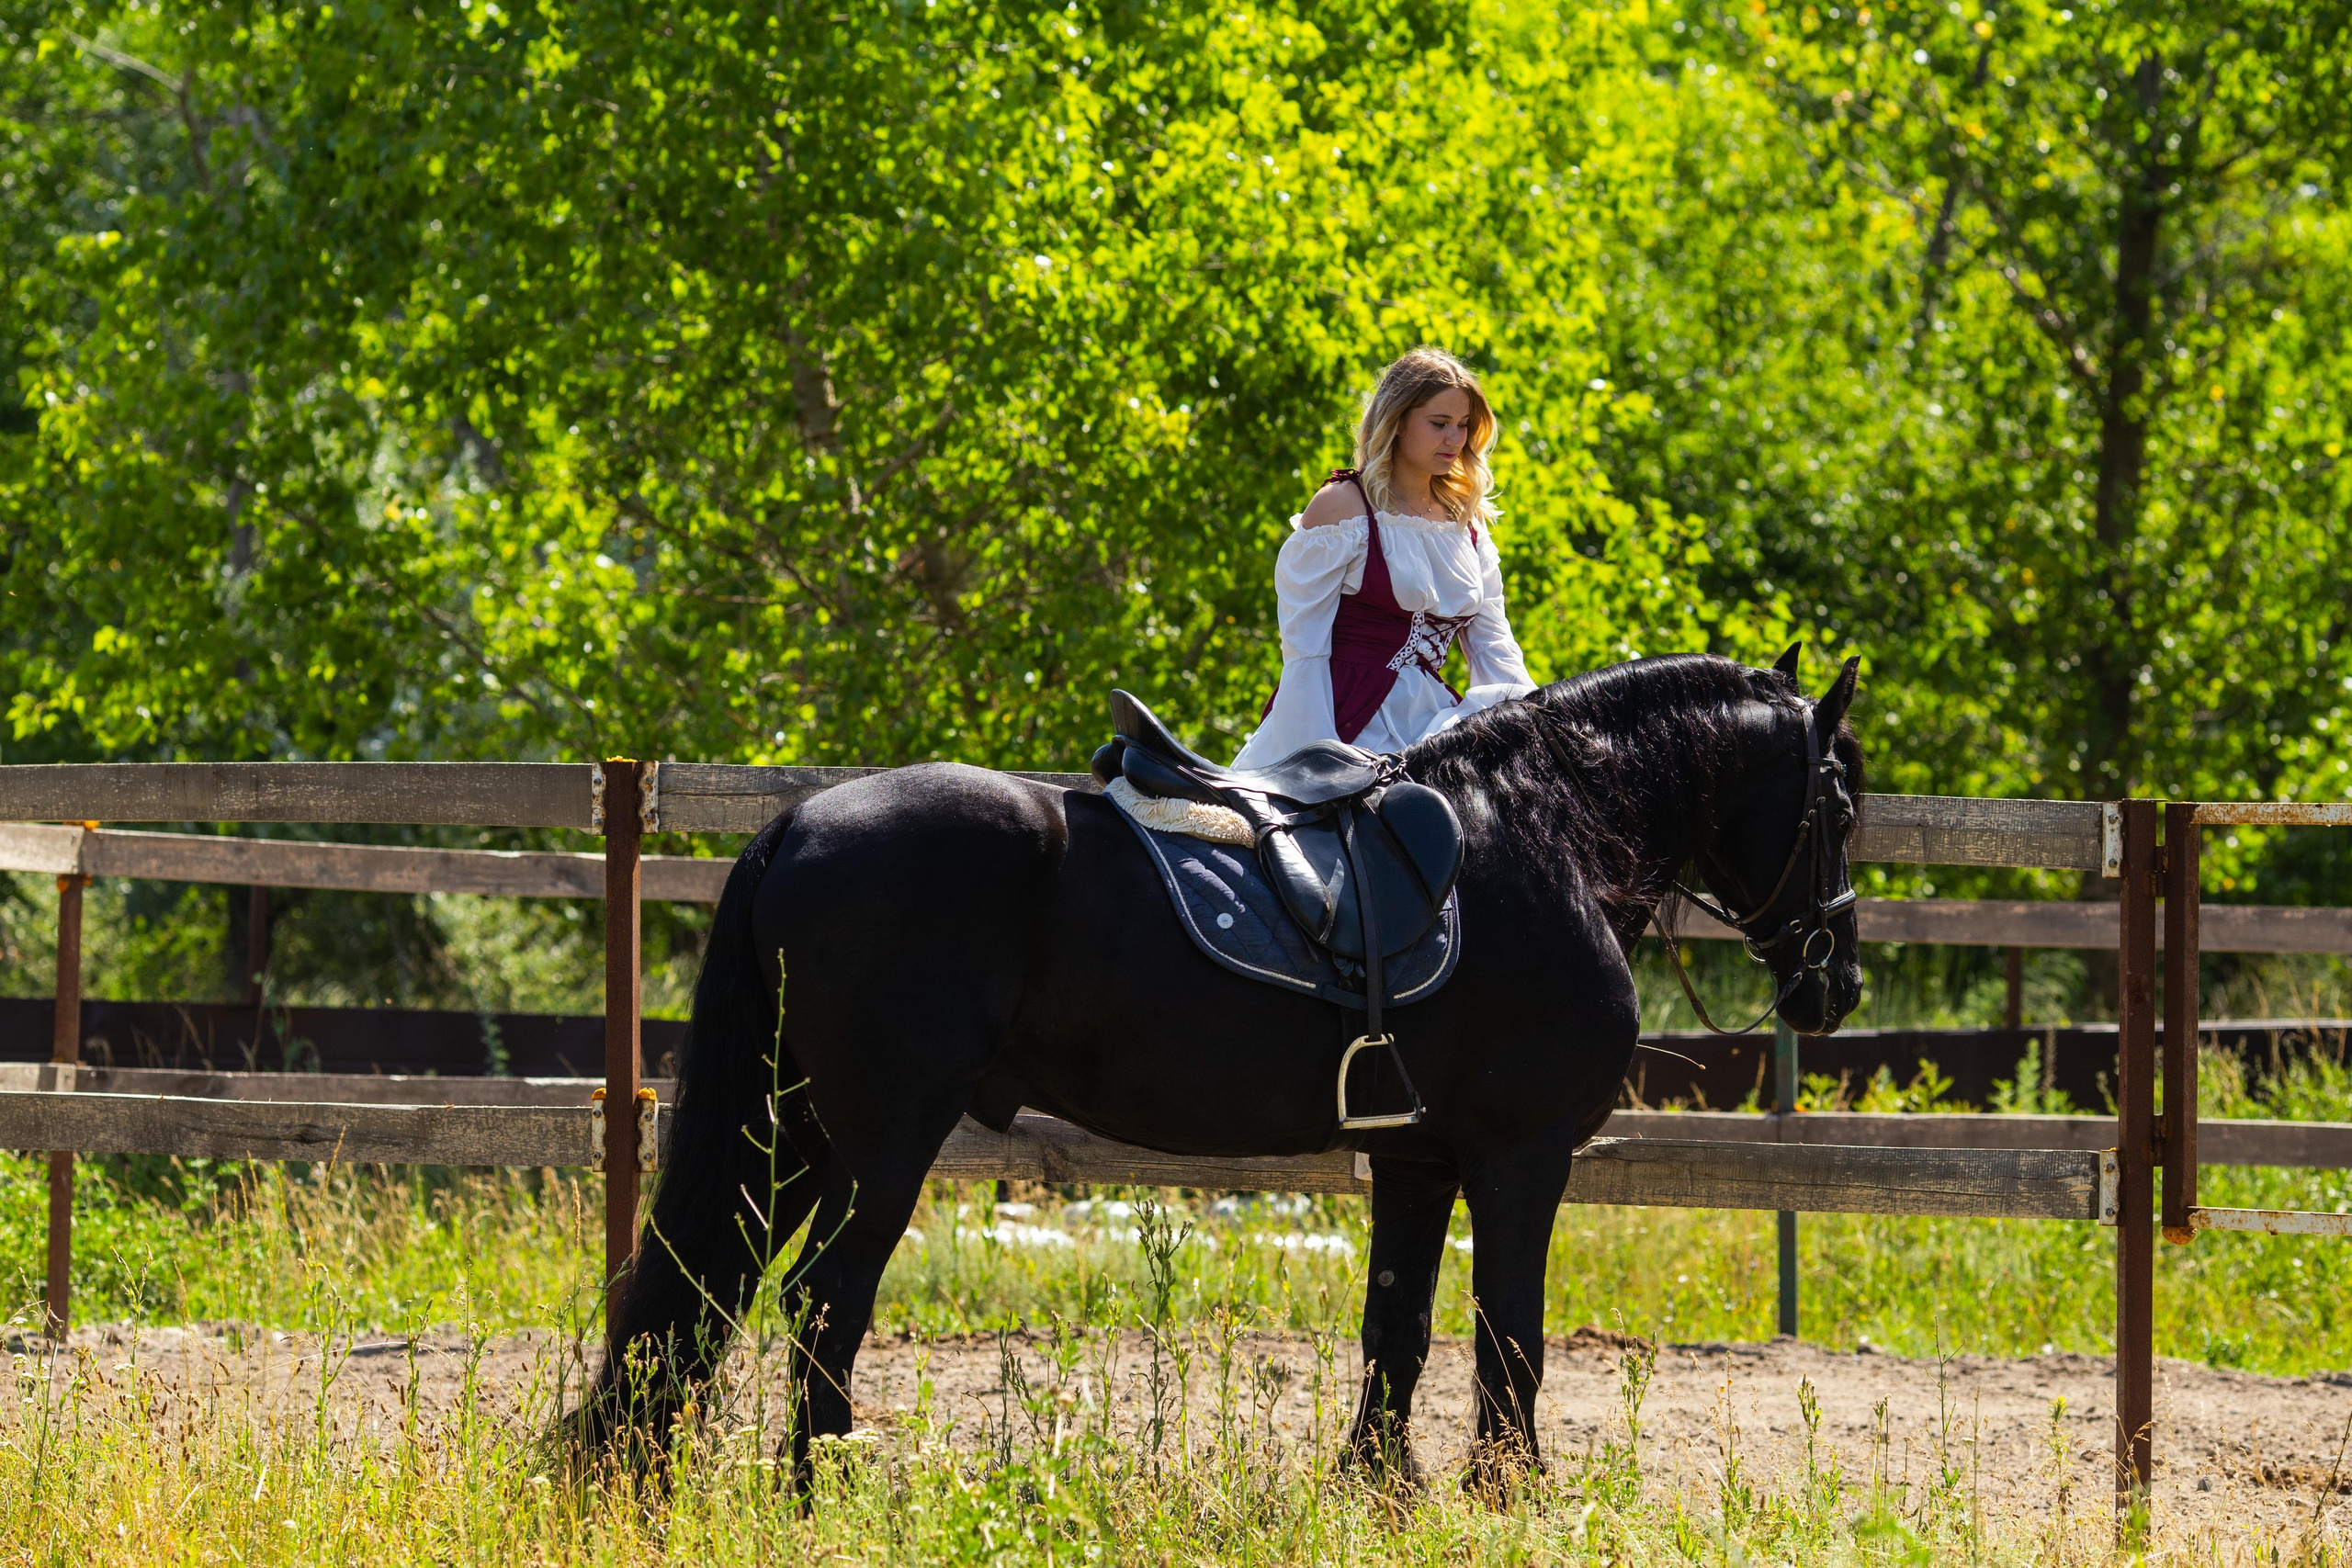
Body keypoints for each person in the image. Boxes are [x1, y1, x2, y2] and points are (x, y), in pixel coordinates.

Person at [1231, 348, 1536, 769]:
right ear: (1396, 421)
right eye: (1439, 423)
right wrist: (1314, 759)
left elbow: (1493, 645)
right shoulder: (1343, 508)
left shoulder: (1466, 522)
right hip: (1343, 722)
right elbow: (1305, 650)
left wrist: (1533, 726)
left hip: (1435, 723)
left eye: (1463, 426)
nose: (1455, 440)